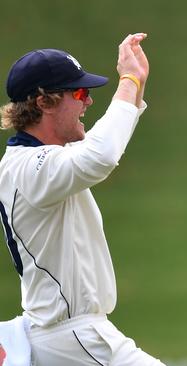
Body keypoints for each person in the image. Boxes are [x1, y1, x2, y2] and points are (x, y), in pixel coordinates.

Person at [0, 34, 165, 365]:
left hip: (68, 335)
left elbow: (104, 144)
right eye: (79, 93)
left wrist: (137, 85)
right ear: (44, 102)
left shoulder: (39, 160)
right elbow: (101, 155)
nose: (88, 102)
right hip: (73, 337)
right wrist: (128, 81)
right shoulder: (30, 169)